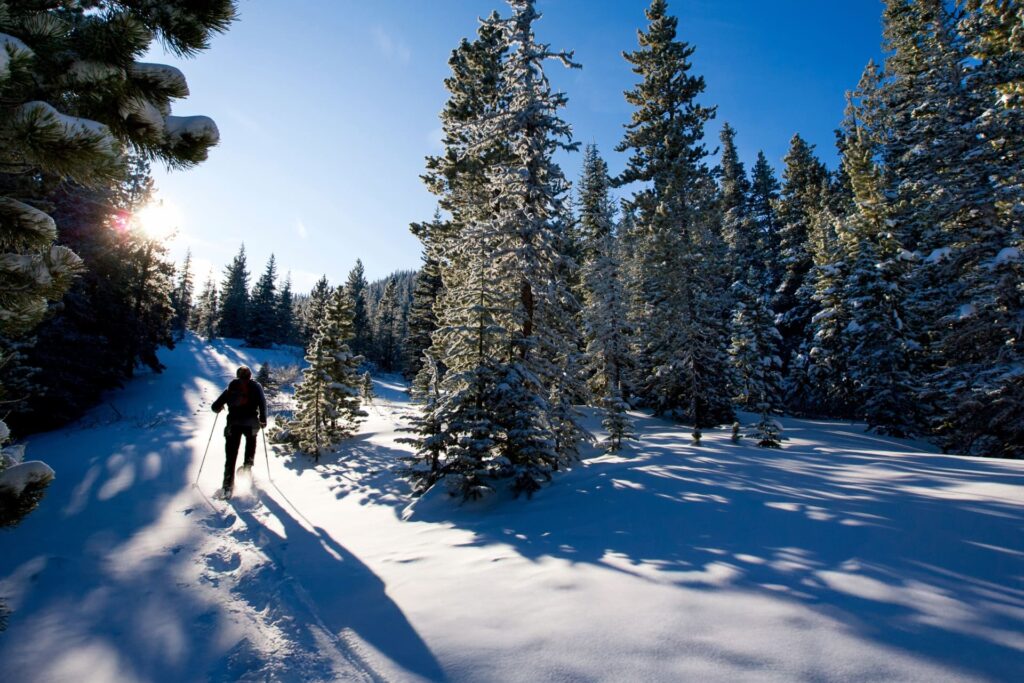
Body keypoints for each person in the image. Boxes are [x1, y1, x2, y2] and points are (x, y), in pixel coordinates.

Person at [211, 365, 267, 497]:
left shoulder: (231, 387)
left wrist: (219, 408)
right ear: (250, 375)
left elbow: (215, 406)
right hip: (251, 423)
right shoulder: (256, 386)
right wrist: (263, 419)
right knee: (251, 443)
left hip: (233, 424)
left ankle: (227, 487)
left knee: (231, 456)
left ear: (238, 375)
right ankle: (247, 467)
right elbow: (262, 403)